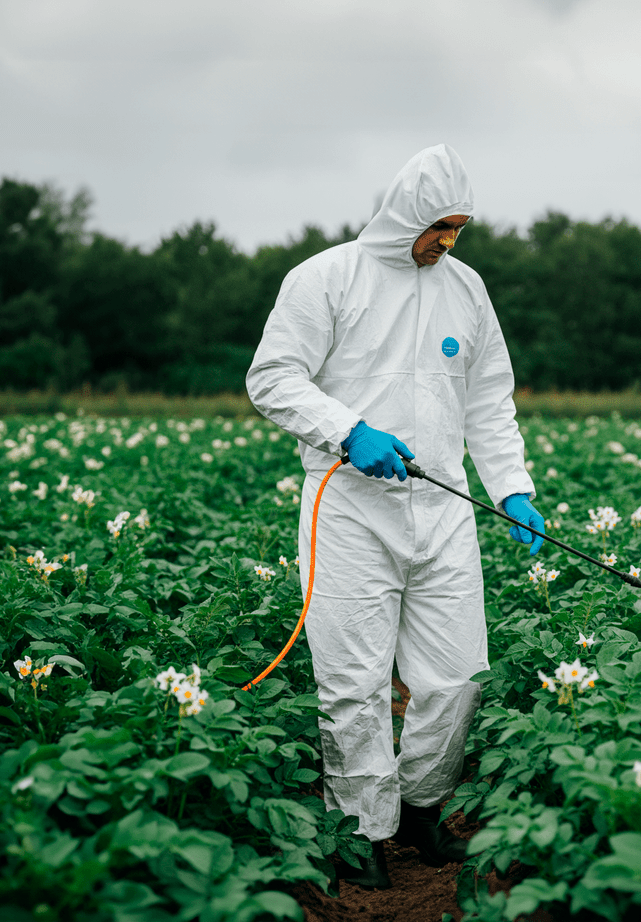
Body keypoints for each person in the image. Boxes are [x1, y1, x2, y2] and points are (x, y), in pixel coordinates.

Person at [247, 144, 545, 889]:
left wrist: (511, 484)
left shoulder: (467, 290)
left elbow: (487, 398)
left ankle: (419, 805)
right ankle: (363, 834)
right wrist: (348, 431)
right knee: (354, 682)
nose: (448, 241)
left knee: (457, 675)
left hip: (443, 507)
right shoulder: (326, 278)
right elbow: (272, 378)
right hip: (349, 509)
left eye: (459, 228)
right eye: (440, 226)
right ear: (407, 214)